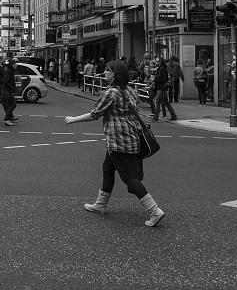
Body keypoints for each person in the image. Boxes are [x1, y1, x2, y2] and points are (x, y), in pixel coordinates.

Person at [65, 59, 165, 226]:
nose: (104, 73)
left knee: (129, 177)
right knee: (108, 169)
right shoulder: (131, 91)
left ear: (115, 74)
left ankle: (154, 210)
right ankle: (101, 204)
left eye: (107, 70)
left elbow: (95, 114)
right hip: (130, 137)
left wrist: (73, 119)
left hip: (118, 139)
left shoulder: (110, 93)